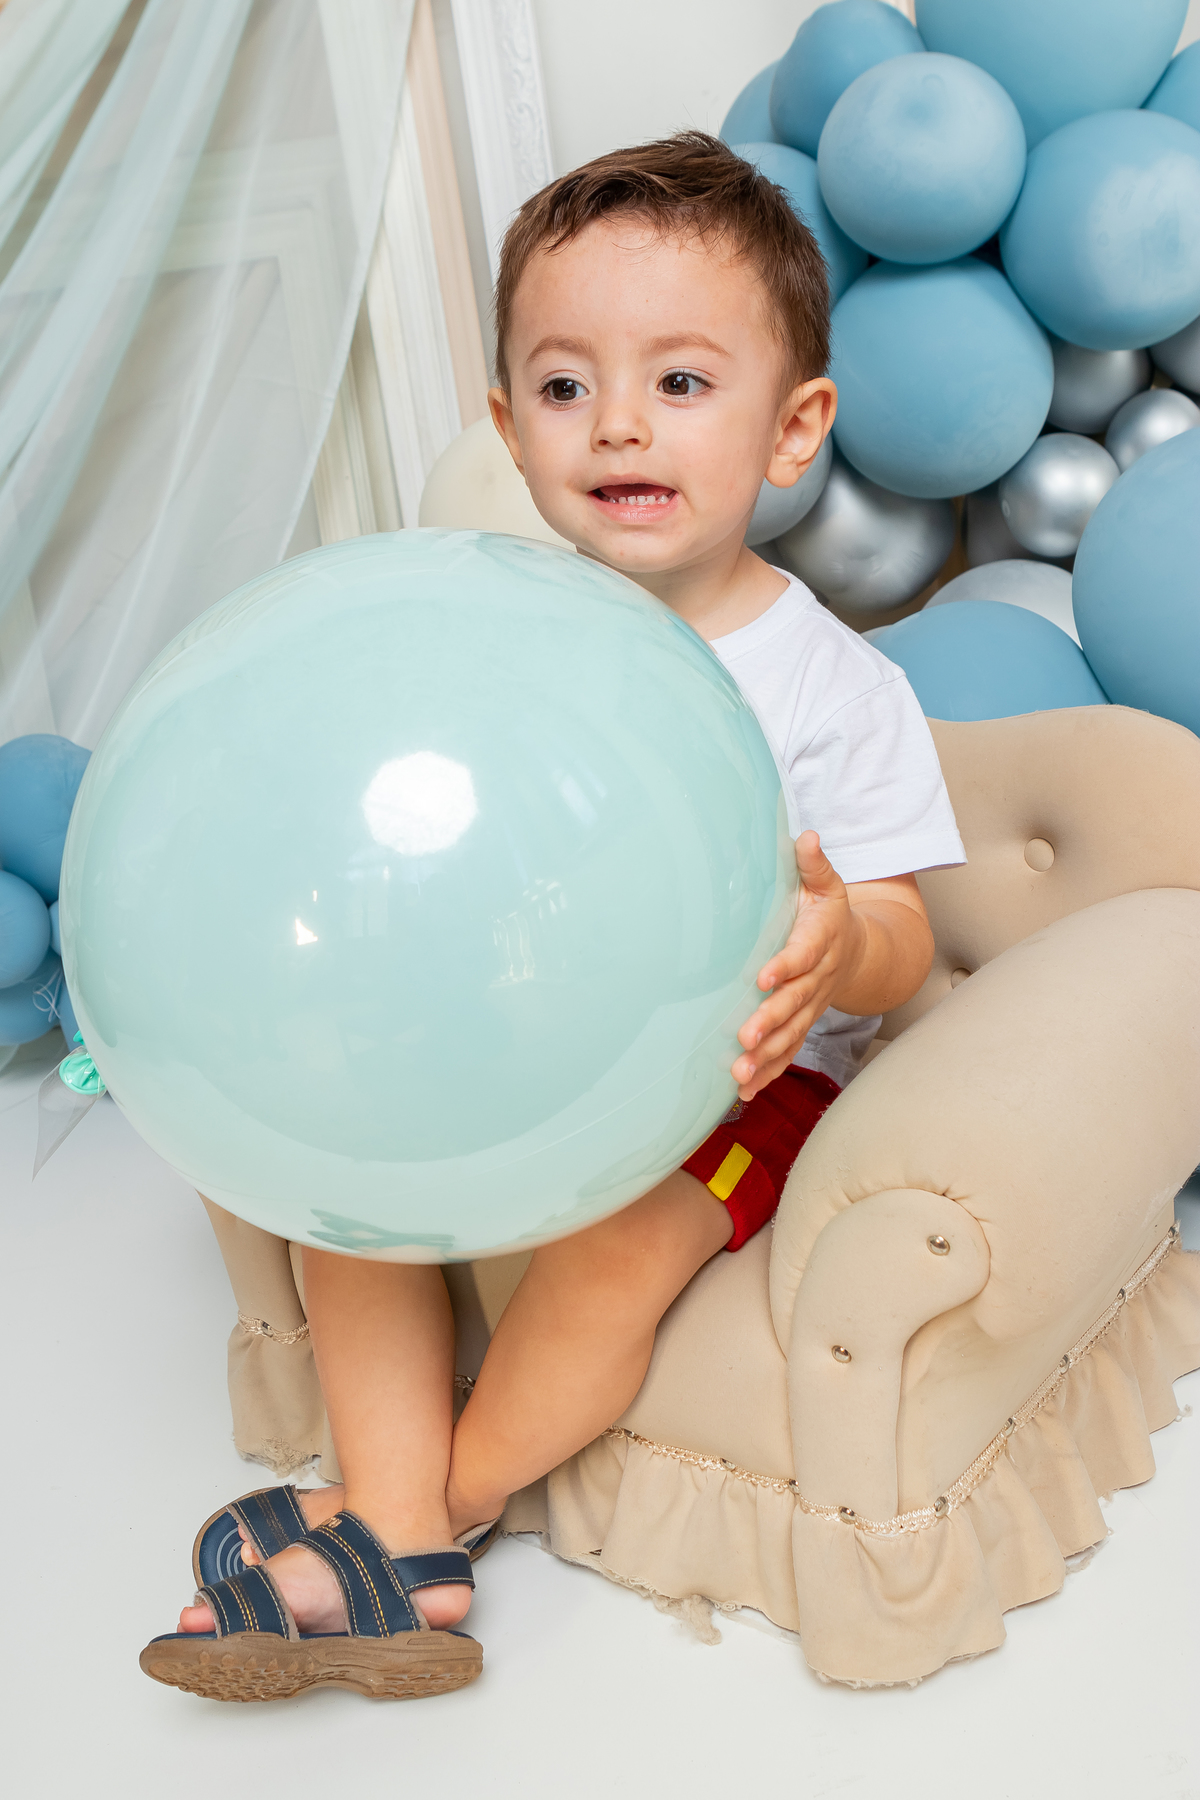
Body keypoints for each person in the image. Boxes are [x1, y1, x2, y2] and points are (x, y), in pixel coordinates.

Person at [148, 131, 964, 1698]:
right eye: (567, 384)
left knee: (611, 1247)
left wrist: (838, 945)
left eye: (682, 381)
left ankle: (412, 1523)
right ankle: (396, 1513)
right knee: (347, 1194)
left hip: (739, 1078)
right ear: (509, 426)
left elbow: (903, 934)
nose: (618, 424)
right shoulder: (481, 633)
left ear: (793, 429)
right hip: (521, 1043)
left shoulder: (831, 685)